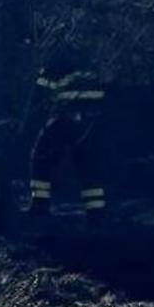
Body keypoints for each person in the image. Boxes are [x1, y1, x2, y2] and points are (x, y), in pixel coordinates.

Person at [28, 56, 108, 218]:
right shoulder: (89, 60)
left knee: (40, 158)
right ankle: (96, 214)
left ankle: (40, 206)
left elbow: (40, 96)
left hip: (65, 117)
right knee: (89, 166)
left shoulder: (53, 58)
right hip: (91, 119)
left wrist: (35, 116)